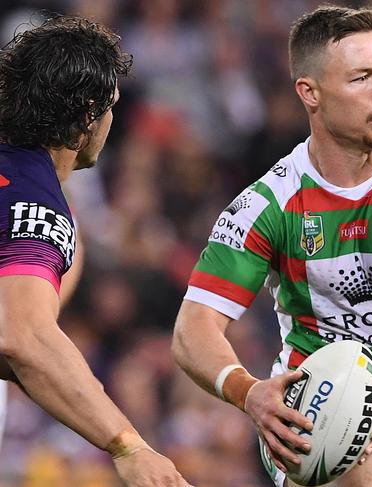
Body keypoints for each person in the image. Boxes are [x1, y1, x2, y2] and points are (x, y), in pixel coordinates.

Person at [173, 5, 372, 487]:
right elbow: (192, 329)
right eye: (361, 78)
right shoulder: (269, 204)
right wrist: (249, 392)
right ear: (310, 93)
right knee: (343, 444)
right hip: (310, 416)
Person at [0, 15, 192, 487]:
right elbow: (21, 335)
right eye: (112, 109)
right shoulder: (32, 200)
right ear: (90, 115)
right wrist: (127, 444)